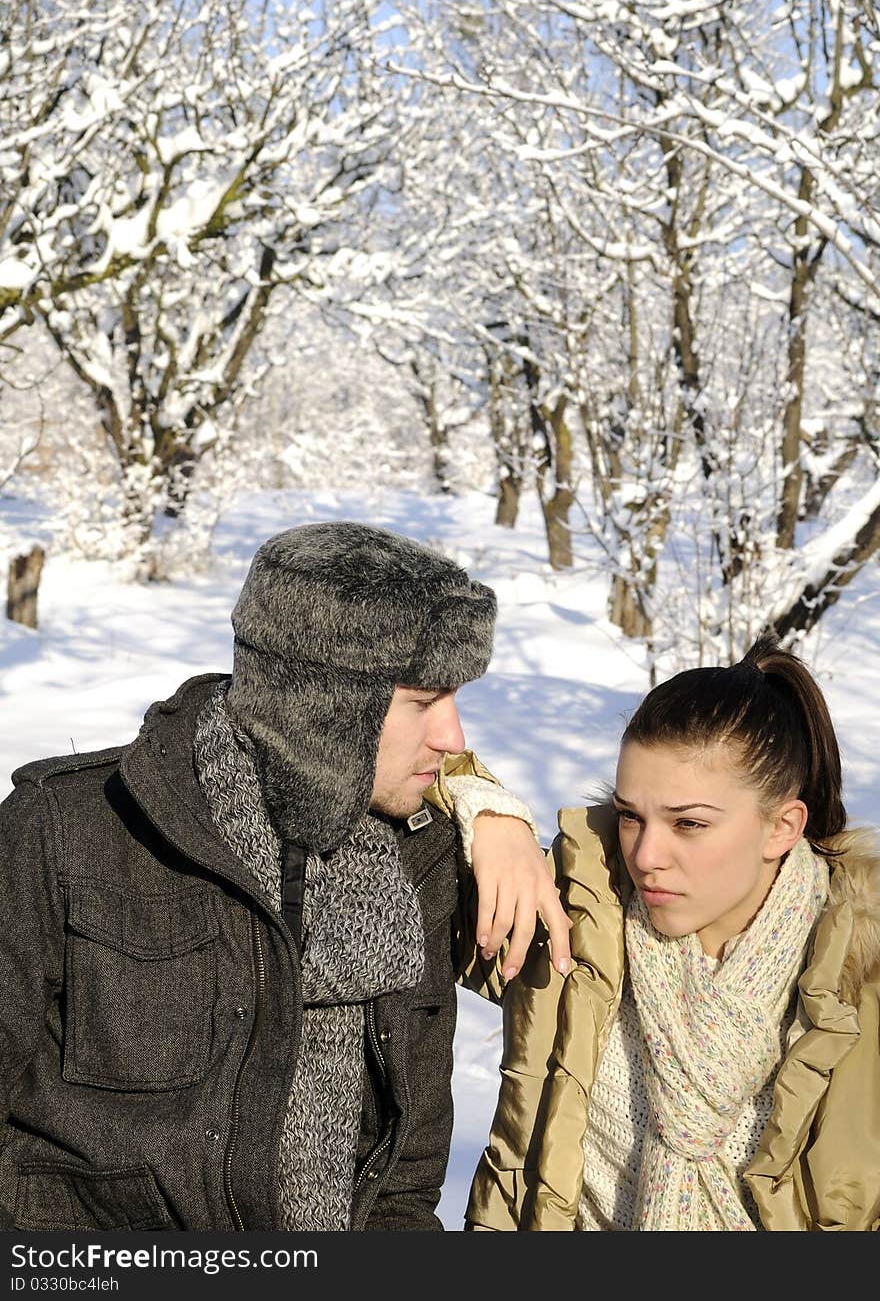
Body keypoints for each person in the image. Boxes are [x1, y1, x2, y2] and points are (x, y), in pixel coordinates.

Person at [0, 520, 569, 1232]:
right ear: (324, 706)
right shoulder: (67, 831)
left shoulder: (422, 859)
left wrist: (494, 808)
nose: (453, 736)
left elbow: (404, 1178)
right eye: (423, 702)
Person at [465, 636, 880, 1231]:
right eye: (631, 815)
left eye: (688, 823)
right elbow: (386, 828)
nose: (647, 854)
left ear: (781, 827)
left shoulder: (862, 973)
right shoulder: (577, 914)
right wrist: (485, 813)